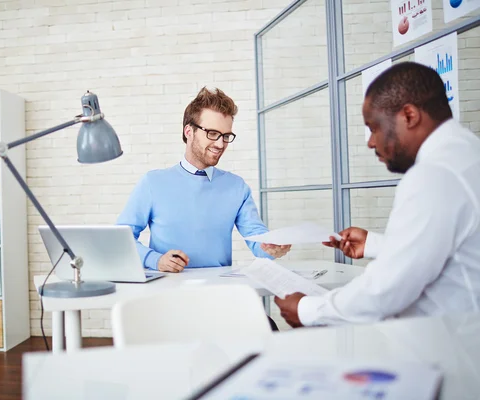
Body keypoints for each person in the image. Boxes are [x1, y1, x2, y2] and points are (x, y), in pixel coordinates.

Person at [275, 62, 480, 328]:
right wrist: (374, 244)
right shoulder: (466, 154)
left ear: (409, 116)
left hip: (452, 350)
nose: (371, 142)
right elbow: (445, 250)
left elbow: (387, 290)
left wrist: (307, 310)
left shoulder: (434, 174)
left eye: (374, 128)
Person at [117, 86, 290, 273]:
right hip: (166, 292)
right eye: (212, 134)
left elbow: (258, 242)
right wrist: (155, 260)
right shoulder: (153, 183)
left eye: (226, 136)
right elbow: (120, 240)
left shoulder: (237, 187)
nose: (220, 144)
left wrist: (272, 248)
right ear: (189, 132)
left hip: (218, 292)